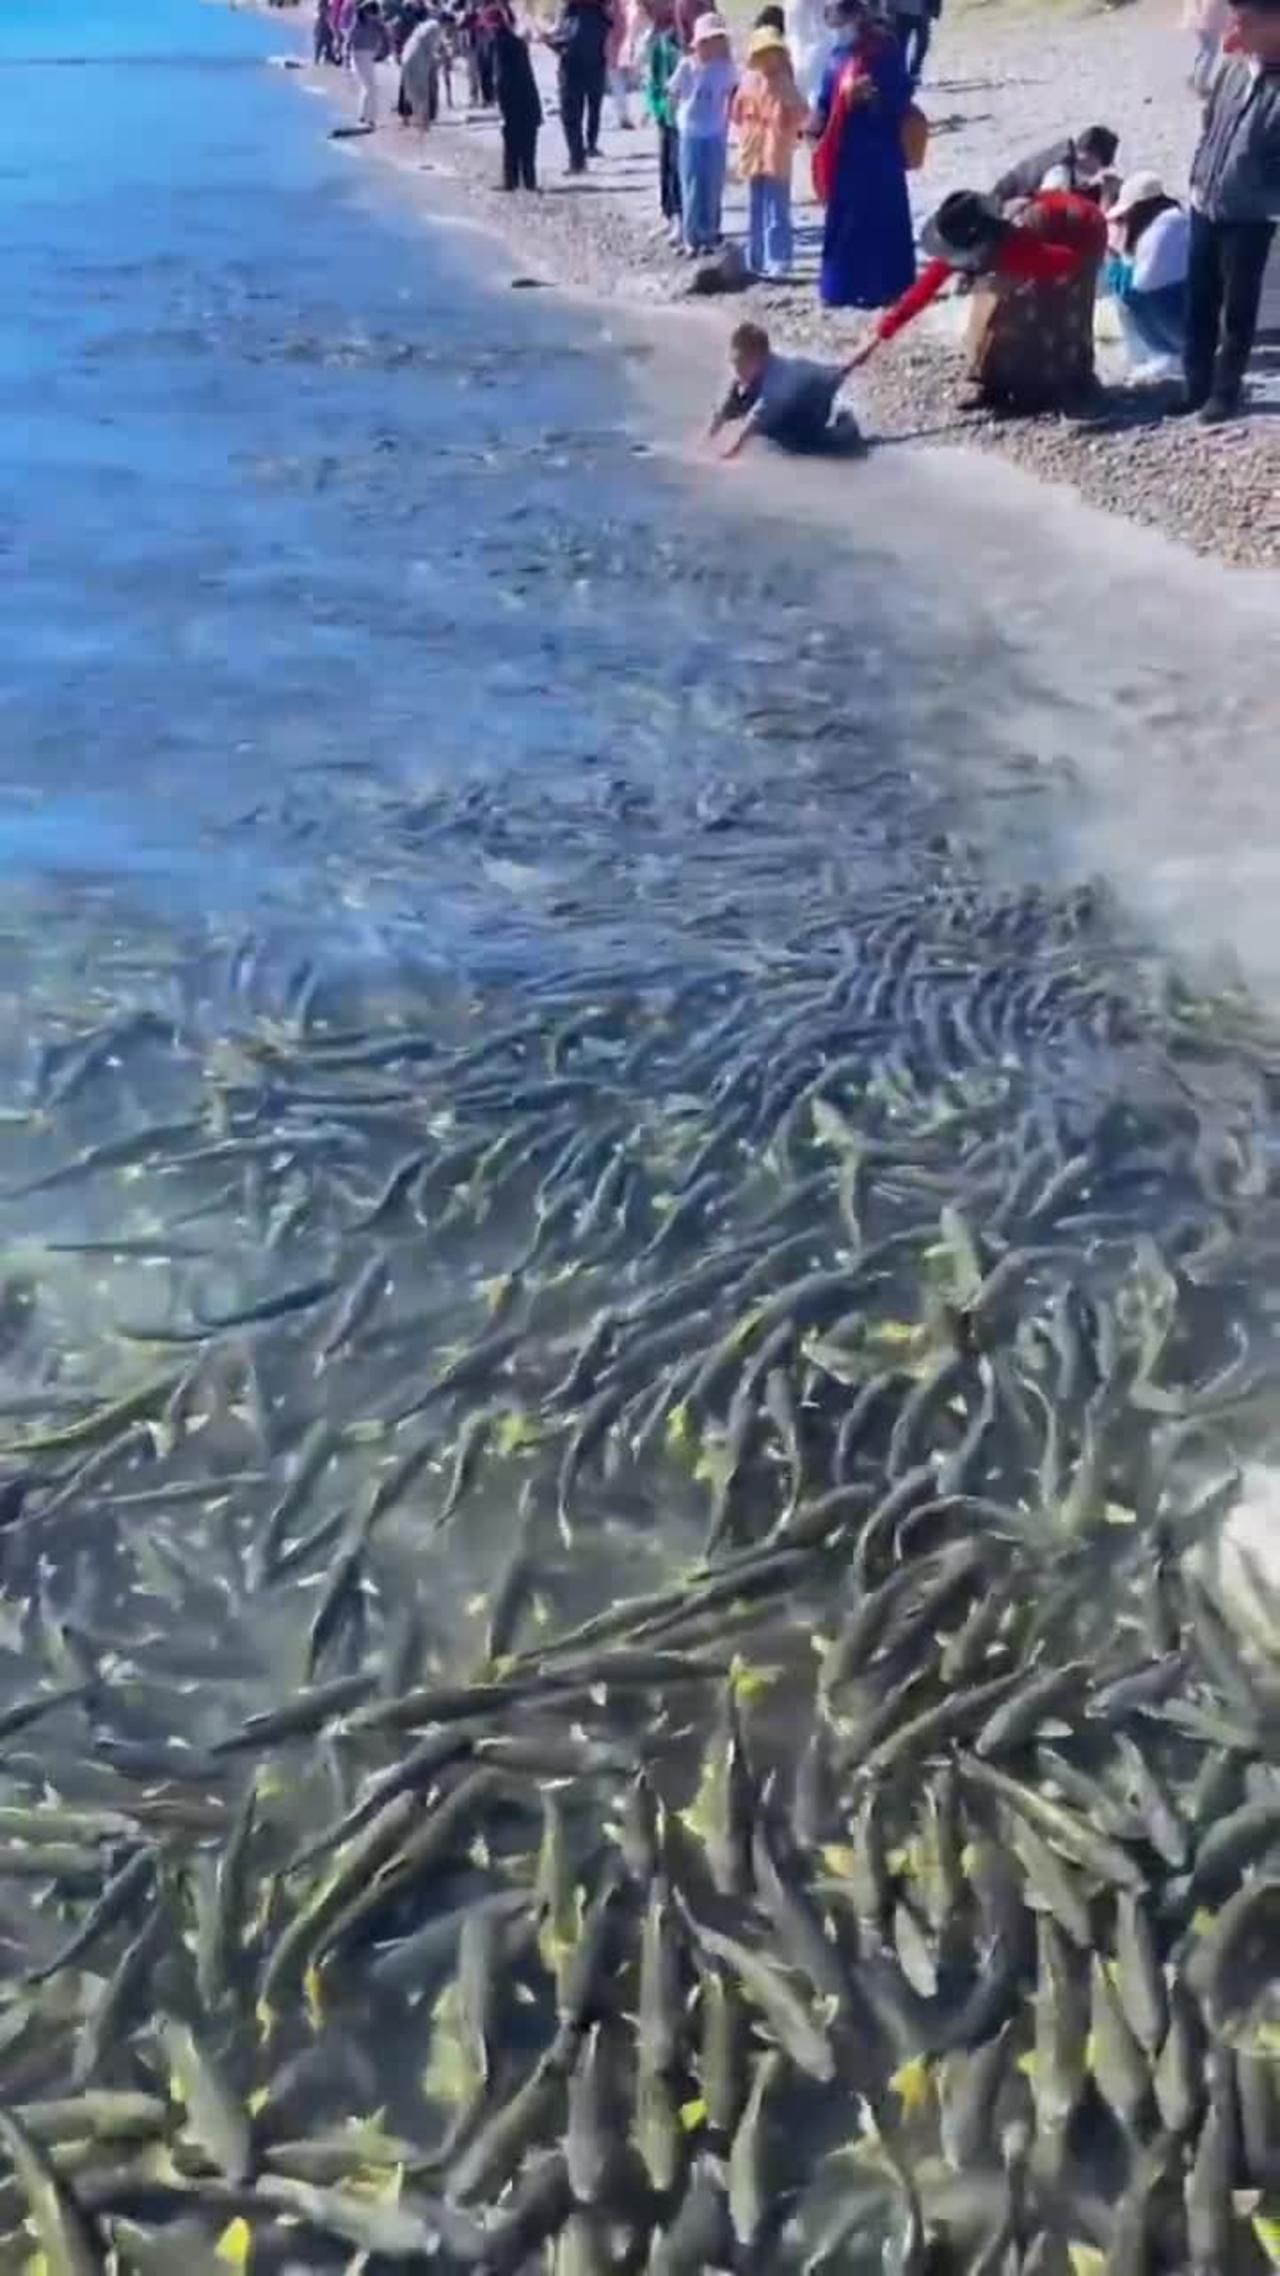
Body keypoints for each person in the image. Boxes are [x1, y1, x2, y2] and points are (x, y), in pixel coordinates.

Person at [850, 184, 1108, 412]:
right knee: (992, 305)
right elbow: (923, 290)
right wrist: (884, 331)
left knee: (1049, 311)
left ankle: (1069, 383)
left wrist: (1016, 278)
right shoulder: (964, 233)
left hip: (1081, 232)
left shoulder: (1018, 247)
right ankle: (991, 383)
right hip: (1040, 233)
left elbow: (1069, 264)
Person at [1184, 0, 1280, 421]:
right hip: (1205, 201)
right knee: (1199, 300)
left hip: (1249, 215)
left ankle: (1225, 392)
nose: (1236, 28)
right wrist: (1198, 174)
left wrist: (1264, 193)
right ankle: (1195, 386)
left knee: (1237, 309)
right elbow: (1210, 124)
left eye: (1247, 20)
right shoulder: (1235, 68)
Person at [810, 0, 915, 310]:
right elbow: (825, 98)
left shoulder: (884, 49)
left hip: (879, 151)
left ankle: (884, 287)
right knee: (845, 221)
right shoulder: (836, 55)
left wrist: (874, 95)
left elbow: (902, 94)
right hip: (846, 153)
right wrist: (815, 123)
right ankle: (840, 286)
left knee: (881, 216)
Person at [708, 320, 864, 454]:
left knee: (803, 445)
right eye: (735, 364)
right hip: (796, 376)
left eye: (740, 365)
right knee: (742, 404)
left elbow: (750, 426)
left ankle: (846, 423)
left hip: (811, 397)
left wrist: (729, 455)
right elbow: (724, 408)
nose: (736, 370)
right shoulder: (749, 370)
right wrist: (707, 440)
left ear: (758, 360)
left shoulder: (775, 385)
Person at [732, 24, 809, 277]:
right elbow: (736, 113)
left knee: (777, 209)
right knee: (755, 209)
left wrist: (788, 126)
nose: (769, 59)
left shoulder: (785, 84)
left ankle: (779, 258)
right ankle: (754, 258)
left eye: (773, 53)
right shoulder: (748, 81)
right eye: (763, 53)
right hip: (753, 153)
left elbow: (802, 112)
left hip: (777, 154)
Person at [1103, 170, 1190, 377]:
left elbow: (1140, 284)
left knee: (1125, 288)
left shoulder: (1163, 228)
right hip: (1197, 315)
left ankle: (1170, 355)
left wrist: (1113, 254)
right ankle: (1173, 355)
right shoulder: (1176, 218)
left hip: (1180, 321)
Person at [669, 13, 737, 252]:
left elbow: (731, 94)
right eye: (708, 40)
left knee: (713, 183)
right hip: (691, 131)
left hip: (715, 131)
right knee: (692, 183)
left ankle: (710, 232)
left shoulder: (725, 67)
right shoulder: (687, 66)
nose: (713, 45)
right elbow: (673, 92)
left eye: (718, 39)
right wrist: (673, 118)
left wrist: (730, 122)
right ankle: (692, 236)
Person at [545, 0, 611, 170]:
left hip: (573, 70)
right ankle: (590, 146)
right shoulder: (601, 15)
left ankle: (577, 159)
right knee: (593, 108)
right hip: (596, 67)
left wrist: (547, 40)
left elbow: (564, 43)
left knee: (571, 116)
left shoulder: (571, 16)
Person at [993, 124, 1118, 206]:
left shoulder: (1062, 156)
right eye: (1101, 163)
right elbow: (1046, 211)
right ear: (1086, 154)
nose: (1100, 169)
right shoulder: (1059, 174)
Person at [647, 0, 685, 242]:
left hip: (688, 116)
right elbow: (654, 81)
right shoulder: (661, 44)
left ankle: (682, 218)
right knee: (667, 165)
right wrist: (658, 108)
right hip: (666, 114)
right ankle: (669, 214)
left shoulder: (690, 45)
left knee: (680, 168)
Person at [492, 7, 543, 185]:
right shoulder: (517, 42)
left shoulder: (500, 45)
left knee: (512, 143)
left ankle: (511, 181)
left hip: (514, 101)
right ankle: (529, 182)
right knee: (528, 145)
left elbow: (502, 79)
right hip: (529, 100)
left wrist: (501, 107)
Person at [349, 0, 392, 124]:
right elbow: (350, 39)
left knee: (368, 87)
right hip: (360, 55)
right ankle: (368, 118)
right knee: (370, 87)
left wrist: (384, 53)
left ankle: (365, 116)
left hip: (366, 55)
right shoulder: (360, 21)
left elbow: (386, 37)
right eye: (375, 13)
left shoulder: (373, 22)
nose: (377, 15)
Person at [889, 0, 930, 88]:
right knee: (901, 45)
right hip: (902, 11)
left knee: (923, 43)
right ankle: (901, 74)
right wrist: (891, 7)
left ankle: (914, 71)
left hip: (923, 9)